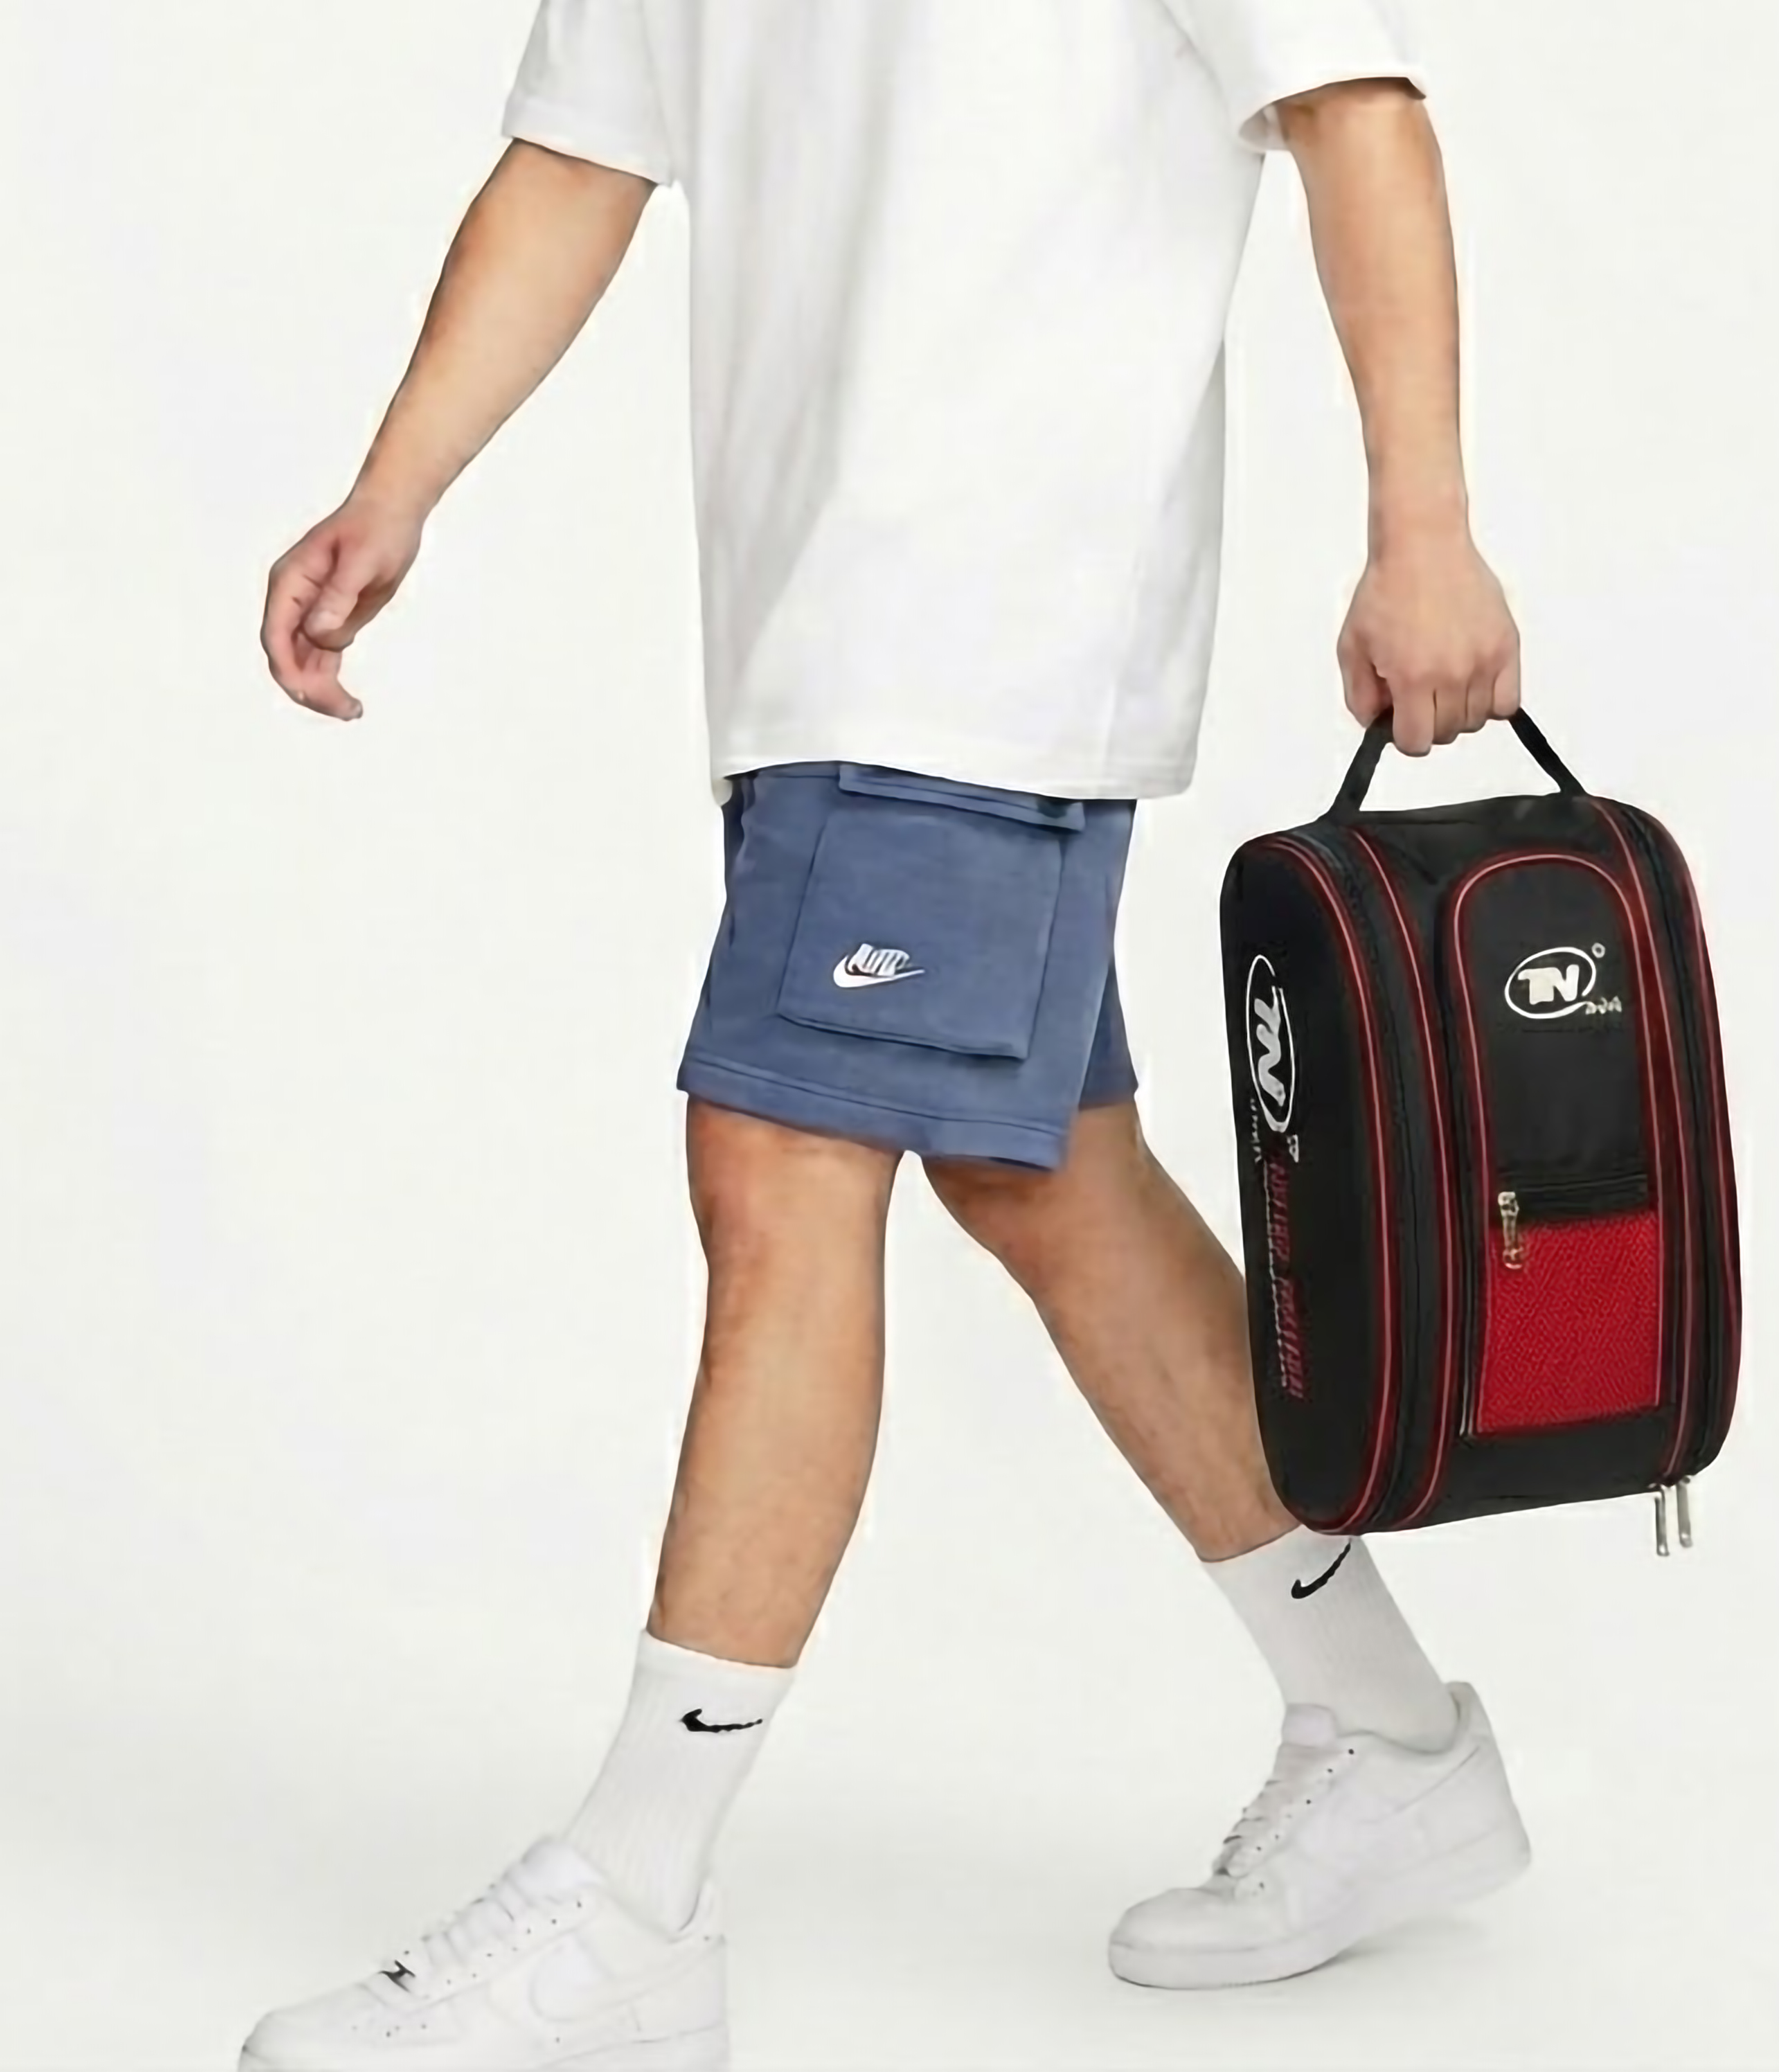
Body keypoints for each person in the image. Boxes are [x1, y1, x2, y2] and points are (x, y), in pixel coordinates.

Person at [247, 1, 1528, 2064]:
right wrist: (395, 487)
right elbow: (581, 152)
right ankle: (1391, 1743)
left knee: (779, 1161)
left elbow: (1355, 107)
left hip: (988, 624)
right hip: (807, 641)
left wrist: (1425, 530)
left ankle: (634, 1897)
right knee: (1047, 1180)